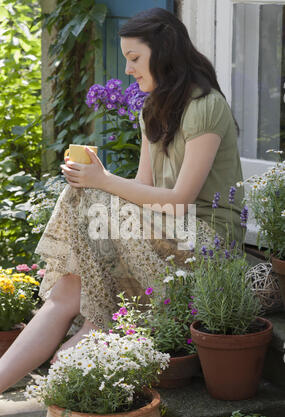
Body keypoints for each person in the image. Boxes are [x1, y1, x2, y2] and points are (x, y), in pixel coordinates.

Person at [0, 8, 244, 394]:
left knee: (93, 196)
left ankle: (94, 321)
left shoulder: (205, 106)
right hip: (164, 230)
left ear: (162, 52)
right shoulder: (152, 108)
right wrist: (95, 182)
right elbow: (142, 187)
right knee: (71, 274)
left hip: (207, 239)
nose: (128, 69)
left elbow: (179, 201)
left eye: (134, 58)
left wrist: (104, 181)